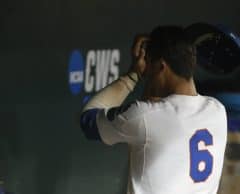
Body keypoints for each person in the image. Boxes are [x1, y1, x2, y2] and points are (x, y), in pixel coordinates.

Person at [80, 25, 227, 194]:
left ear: (161, 66)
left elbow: (88, 121)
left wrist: (133, 75)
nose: (147, 74)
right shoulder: (218, 111)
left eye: (149, 65)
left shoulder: (144, 116)